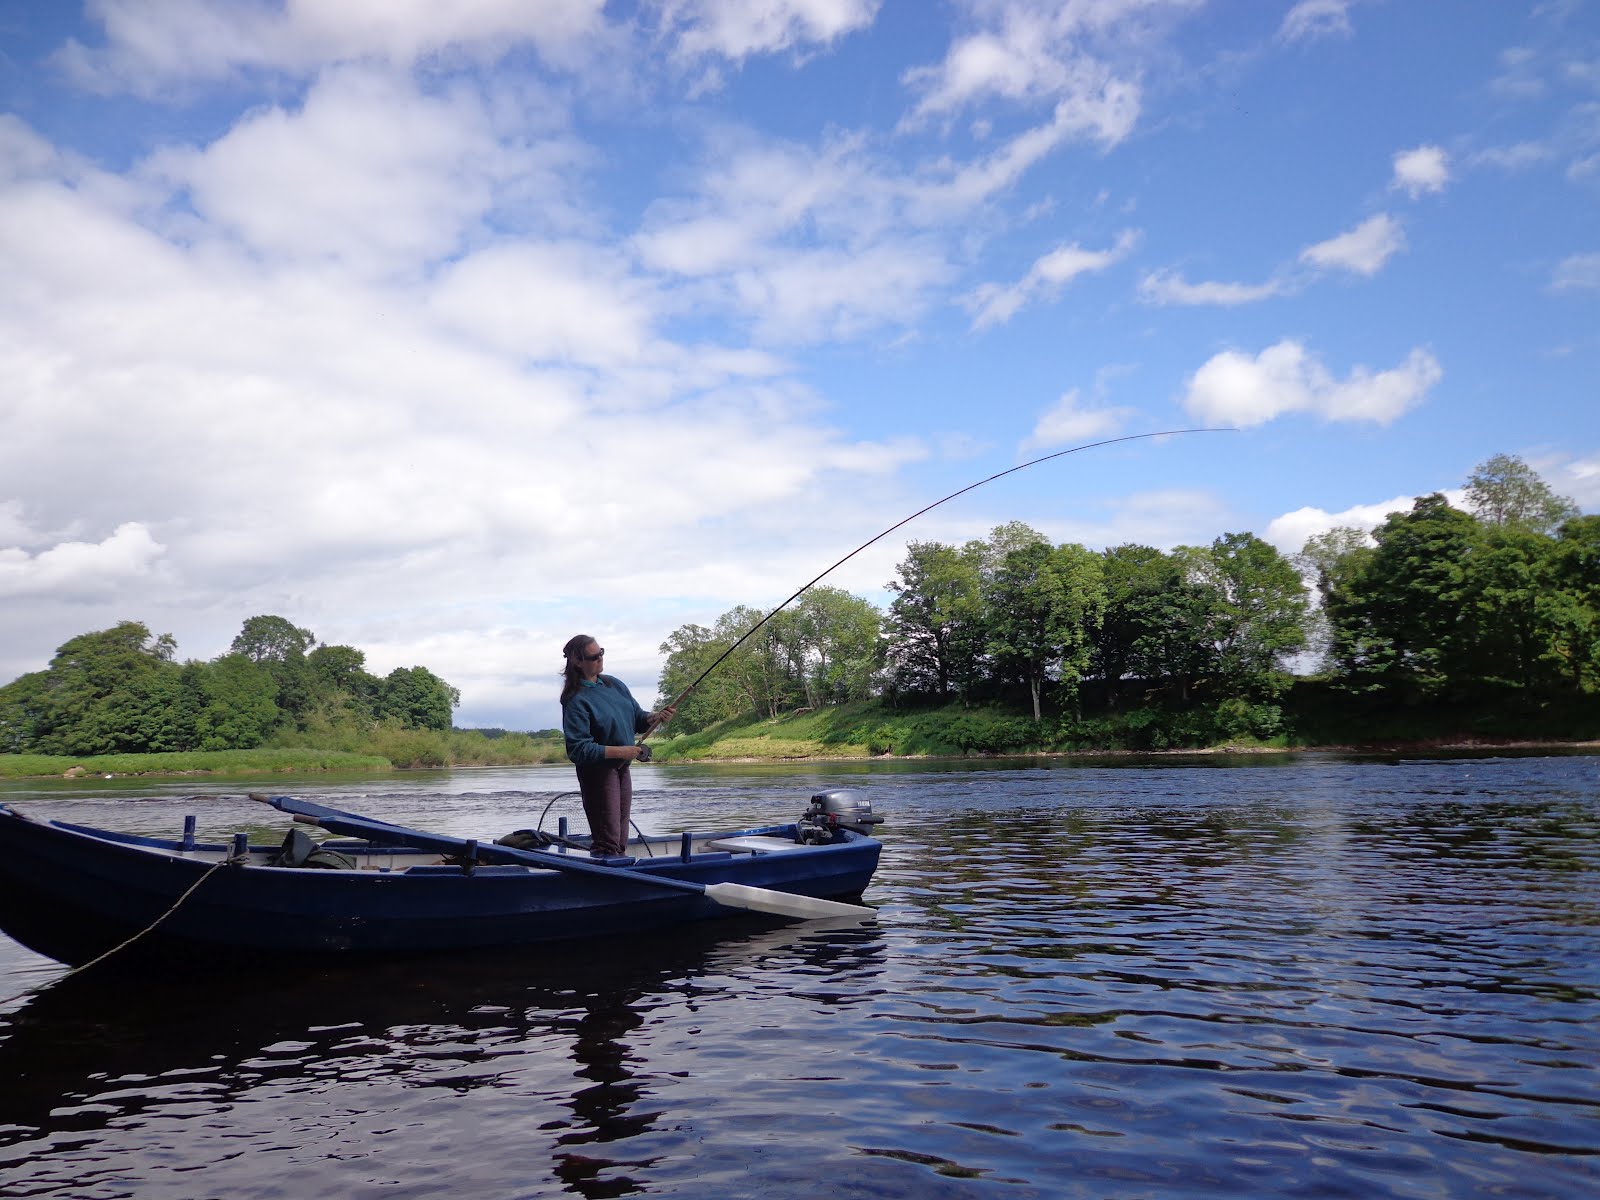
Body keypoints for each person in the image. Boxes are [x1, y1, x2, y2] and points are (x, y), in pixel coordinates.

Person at [559, 635, 675, 857]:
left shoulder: (614, 684)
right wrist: (623, 751)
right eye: (594, 657)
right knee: (607, 838)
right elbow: (578, 749)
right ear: (577, 661)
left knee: (620, 835)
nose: (600, 659)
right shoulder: (575, 699)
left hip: (622, 767)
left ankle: (617, 868)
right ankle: (605, 875)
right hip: (598, 773)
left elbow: (636, 718)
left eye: (601, 652)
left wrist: (655, 717)